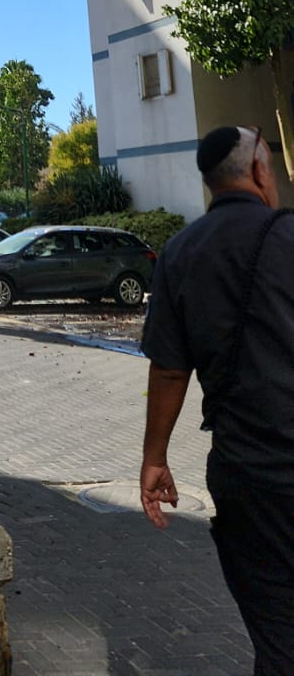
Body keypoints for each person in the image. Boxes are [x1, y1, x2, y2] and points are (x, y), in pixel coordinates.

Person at [140, 124, 294, 675]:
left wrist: (154, 458)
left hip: (247, 476)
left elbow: (169, 371)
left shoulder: (180, 253)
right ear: (259, 170)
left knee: (277, 631)